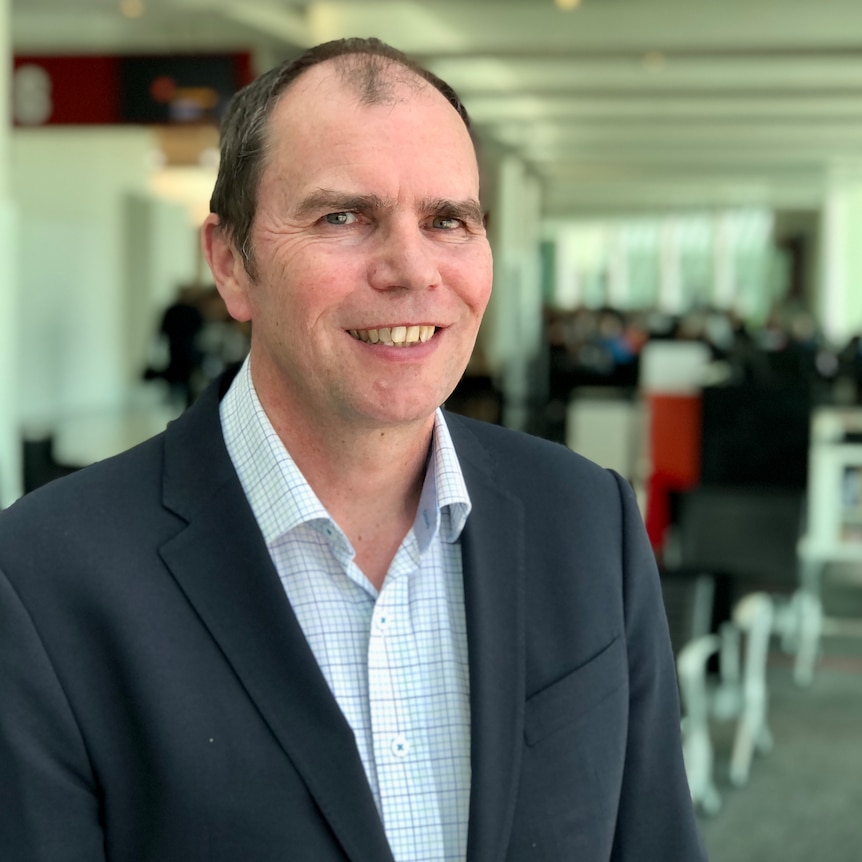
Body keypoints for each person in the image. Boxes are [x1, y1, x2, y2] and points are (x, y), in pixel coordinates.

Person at [0, 37, 707, 861]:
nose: (411, 268)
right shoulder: (44, 580)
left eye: (448, 219)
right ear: (232, 263)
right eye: (344, 217)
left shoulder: (588, 521)